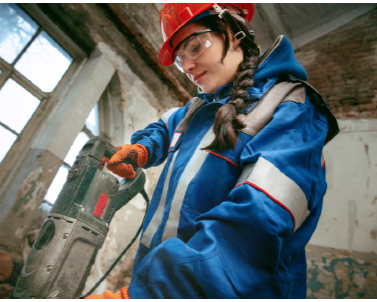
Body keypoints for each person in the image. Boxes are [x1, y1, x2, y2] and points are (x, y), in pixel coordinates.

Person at [87, 3, 339, 299]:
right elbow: (167, 127)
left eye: (194, 47)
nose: (188, 66)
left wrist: (152, 294)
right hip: (160, 279)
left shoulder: (291, 109)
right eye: (180, 58)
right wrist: (143, 148)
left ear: (234, 34)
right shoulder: (199, 107)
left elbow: (255, 224)